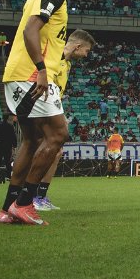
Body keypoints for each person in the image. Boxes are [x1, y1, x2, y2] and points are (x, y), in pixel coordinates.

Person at [0, 0, 84, 226]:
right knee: (58, 134)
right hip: (31, 76)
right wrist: (42, 70)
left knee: (32, 141)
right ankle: (25, 203)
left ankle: (7, 208)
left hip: (18, 74)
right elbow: (30, 29)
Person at [34, 30, 95, 210]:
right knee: (42, 151)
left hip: (52, 107)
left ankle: (39, 195)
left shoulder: (66, 63)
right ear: (77, 46)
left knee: (55, 152)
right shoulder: (53, 57)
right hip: (40, 108)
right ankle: (31, 196)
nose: (86, 55)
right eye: (87, 50)